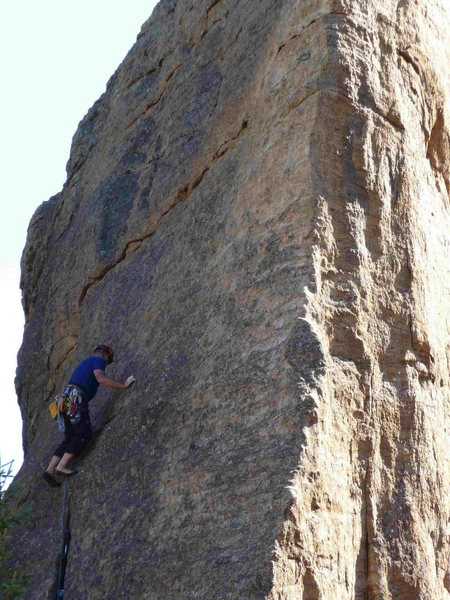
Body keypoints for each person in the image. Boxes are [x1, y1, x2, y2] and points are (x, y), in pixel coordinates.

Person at [43, 343, 135, 487]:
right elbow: (101, 378)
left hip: (65, 399)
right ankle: (61, 466)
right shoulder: (97, 360)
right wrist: (123, 385)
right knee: (82, 434)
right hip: (76, 398)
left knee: (70, 437)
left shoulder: (84, 363)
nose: (106, 363)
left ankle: (50, 470)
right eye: (107, 360)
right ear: (105, 354)